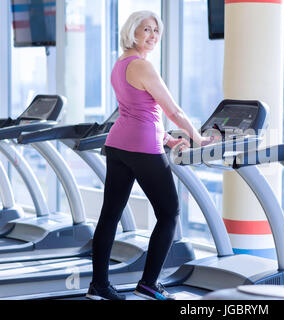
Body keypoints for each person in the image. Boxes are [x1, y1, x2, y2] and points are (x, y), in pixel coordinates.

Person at [86, 10, 215, 300]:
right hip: (142, 149)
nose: (153, 36)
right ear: (133, 31)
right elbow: (172, 111)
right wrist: (198, 138)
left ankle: (99, 286)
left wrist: (169, 140)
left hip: (118, 145)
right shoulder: (143, 66)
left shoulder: (120, 64)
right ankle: (148, 283)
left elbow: (138, 111)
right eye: (147, 30)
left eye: (157, 31)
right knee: (170, 212)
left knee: (109, 215)